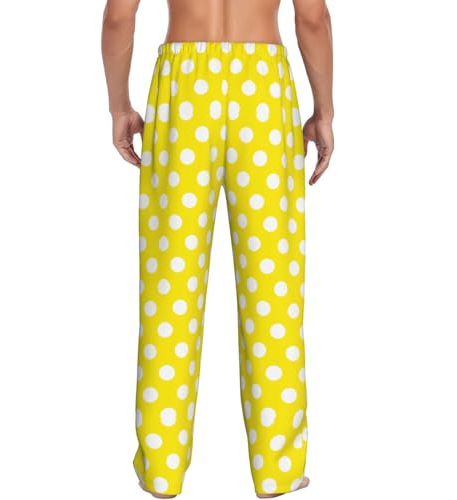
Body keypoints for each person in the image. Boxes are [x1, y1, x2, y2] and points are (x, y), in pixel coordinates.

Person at [101, 0, 334, 498]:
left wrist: (120, 107)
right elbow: (312, 19)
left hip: (184, 87)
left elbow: (118, 17)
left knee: (169, 288)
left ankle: (161, 469)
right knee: (273, 288)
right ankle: (277, 469)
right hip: (263, 89)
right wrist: (324, 111)